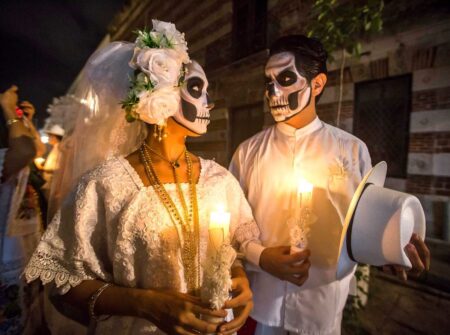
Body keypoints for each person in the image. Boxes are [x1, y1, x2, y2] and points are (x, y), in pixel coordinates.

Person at [24, 21, 258, 334]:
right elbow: (63, 281)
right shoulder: (105, 184)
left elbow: (227, 252)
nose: (208, 102)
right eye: (196, 89)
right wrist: (147, 304)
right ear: (161, 94)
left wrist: (239, 276)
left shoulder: (220, 180)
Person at [230, 35, 430, 335]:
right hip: (263, 304)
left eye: (285, 78)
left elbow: (363, 228)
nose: (273, 91)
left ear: (318, 84)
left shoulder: (352, 151)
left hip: (321, 308)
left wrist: (390, 248)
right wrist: (261, 256)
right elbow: (228, 224)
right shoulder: (247, 153)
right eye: (268, 81)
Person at [0, 86, 42, 335]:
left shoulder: (12, 157)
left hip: (21, 245)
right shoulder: (5, 160)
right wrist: (8, 109)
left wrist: (23, 119)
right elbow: (26, 150)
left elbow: (36, 149)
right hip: (6, 253)